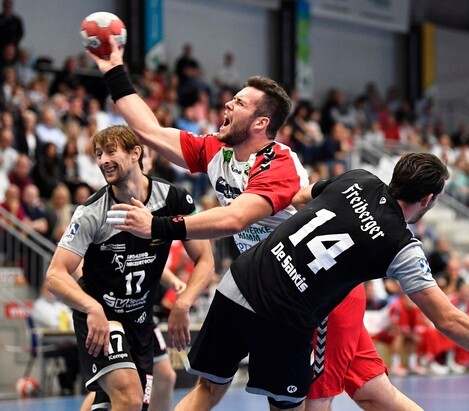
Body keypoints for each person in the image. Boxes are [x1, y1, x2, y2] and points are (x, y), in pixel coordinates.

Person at [89, 38, 409, 411]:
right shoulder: (216, 151)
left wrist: (158, 226)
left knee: (313, 401)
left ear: (260, 123)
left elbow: (235, 218)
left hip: (317, 293)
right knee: (373, 393)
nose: (227, 104)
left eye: (239, 102)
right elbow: (150, 131)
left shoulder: (279, 164)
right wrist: (113, 70)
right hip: (266, 286)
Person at [164, 152, 469, 411]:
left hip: (242, 279)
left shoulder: (358, 178)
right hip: (284, 314)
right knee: (298, 404)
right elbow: (447, 319)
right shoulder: (401, 245)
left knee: (206, 390)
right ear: (427, 199)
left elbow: (299, 198)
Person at [46, 125, 214, 411]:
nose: (103, 160)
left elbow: (205, 259)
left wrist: (183, 302)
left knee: (126, 401)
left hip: (141, 320)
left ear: (136, 153)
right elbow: (55, 274)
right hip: (102, 317)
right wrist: (92, 308)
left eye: (111, 151)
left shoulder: (173, 199)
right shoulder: (92, 212)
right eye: (98, 154)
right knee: (129, 398)